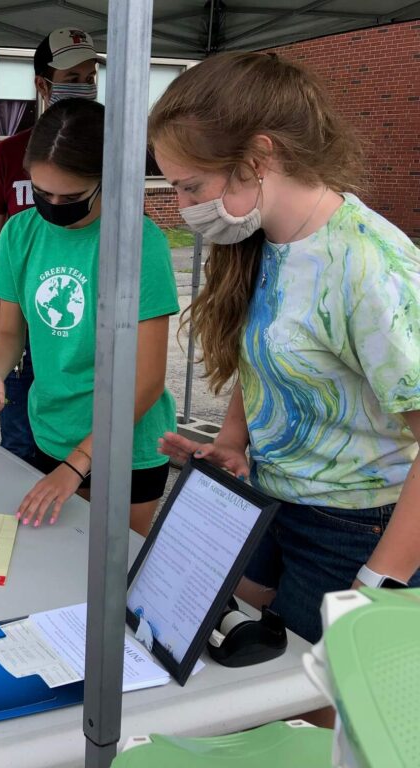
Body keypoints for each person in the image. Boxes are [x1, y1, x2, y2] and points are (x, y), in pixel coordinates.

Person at [150, 52, 420, 644]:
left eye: (191, 185)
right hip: (273, 495)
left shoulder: (370, 268)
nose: (183, 206)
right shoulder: (267, 238)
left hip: (355, 522)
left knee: (306, 703)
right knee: (235, 662)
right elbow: (266, 354)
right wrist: (232, 441)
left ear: (259, 156)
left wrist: (384, 580)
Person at [0, 98, 178, 536]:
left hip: (125, 448)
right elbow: (10, 333)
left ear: (107, 179)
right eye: (42, 194)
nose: (55, 206)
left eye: (72, 197)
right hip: (51, 434)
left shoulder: (139, 242)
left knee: (114, 583)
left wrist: (78, 465)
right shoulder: (21, 233)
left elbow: (148, 379)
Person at [0, 27, 103, 467]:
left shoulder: (112, 149)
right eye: (73, 75)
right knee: (20, 439)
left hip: (87, 343)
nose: (85, 85)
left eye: (91, 75)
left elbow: (139, 384)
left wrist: (74, 468)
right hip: (27, 315)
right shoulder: (7, 157)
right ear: (43, 84)